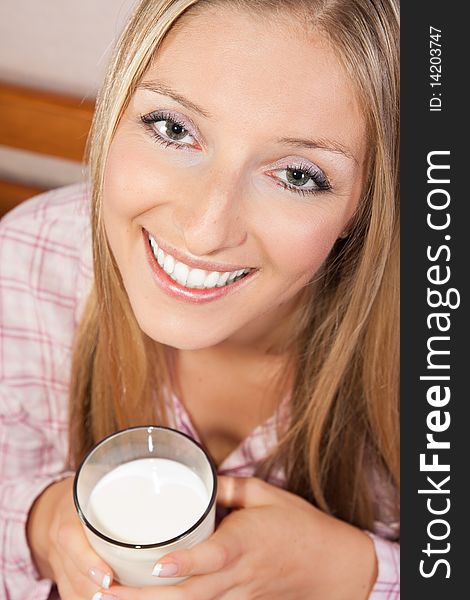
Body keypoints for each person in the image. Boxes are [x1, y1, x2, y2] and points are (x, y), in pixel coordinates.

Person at [0, 0, 400, 598]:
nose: (206, 229)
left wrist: (355, 571)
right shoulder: (32, 261)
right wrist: (38, 525)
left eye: (297, 175)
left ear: (363, 205)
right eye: (173, 129)